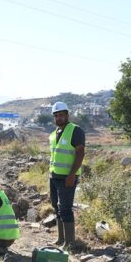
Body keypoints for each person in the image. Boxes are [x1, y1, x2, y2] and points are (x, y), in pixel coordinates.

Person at [49, 101, 85, 249]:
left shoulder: (75, 131)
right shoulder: (53, 134)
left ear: (67, 115)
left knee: (65, 208)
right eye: (56, 115)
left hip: (67, 177)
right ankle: (60, 239)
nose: (59, 118)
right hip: (54, 176)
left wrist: (71, 175)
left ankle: (70, 243)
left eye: (61, 115)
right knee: (56, 207)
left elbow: (80, 153)